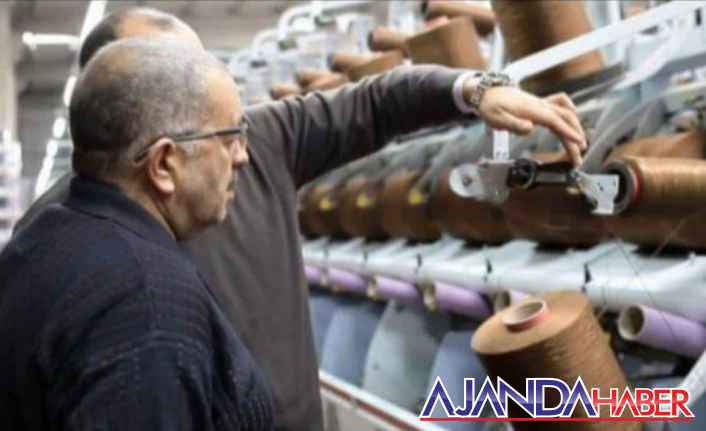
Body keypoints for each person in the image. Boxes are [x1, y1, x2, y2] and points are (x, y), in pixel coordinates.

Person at [13, 8, 587, 430]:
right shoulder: (128, 285)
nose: (239, 152)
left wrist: (476, 89)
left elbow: (376, 102)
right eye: (177, 73)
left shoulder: (256, 141)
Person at [0, 38, 273, 430]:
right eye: (230, 137)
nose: (242, 156)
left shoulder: (41, 241)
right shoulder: (148, 305)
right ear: (163, 164)